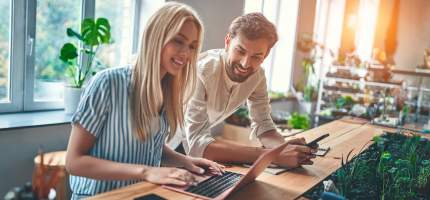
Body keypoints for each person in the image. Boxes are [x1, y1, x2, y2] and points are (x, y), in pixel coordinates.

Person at [65, 2, 223, 199]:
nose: (186, 53)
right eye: (178, 41)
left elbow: (148, 146)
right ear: (156, 37)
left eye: (192, 46)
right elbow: (73, 161)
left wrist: (185, 160)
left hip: (139, 194)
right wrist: (147, 172)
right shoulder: (108, 83)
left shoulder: (166, 90)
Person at [184, 13, 316, 168]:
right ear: (227, 42)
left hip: (193, 150)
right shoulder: (201, 72)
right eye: (240, 51)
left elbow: (264, 127)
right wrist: (271, 155)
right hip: (163, 147)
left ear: (265, 56)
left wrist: (286, 149)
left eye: (256, 56)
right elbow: (197, 146)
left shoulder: (257, 76)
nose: (245, 63)